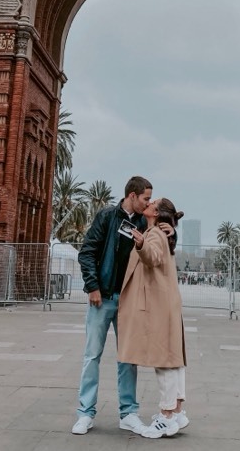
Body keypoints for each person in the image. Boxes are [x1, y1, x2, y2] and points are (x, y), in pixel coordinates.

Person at [72, 176, 153, 436]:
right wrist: (93, 286)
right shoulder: (107, 217)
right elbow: (87, 252)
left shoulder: (143, 223)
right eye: (145, 198)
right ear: (132, 195)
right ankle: (85, 413)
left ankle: (128, 413)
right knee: (92, 355)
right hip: (103, 297)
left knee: (128, 358)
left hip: (128, 301)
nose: (148, 203)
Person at [118, 198, 188, 439]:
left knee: (164, 361)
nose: (148, 203)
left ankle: (166, 416)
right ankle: (177, 410)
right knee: (173, 358)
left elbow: (154, 257)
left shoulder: (156, 233)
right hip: (166, 302)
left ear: (156, 212)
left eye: (152, 202)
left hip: (157, 305)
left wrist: (141, 244)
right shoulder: (159, 231)